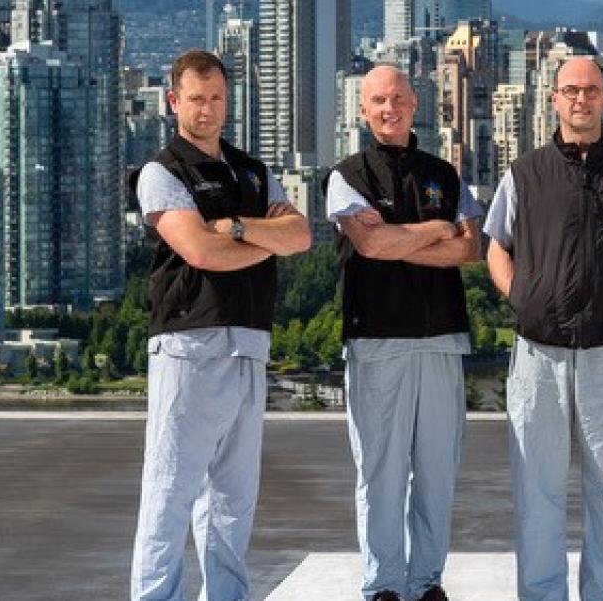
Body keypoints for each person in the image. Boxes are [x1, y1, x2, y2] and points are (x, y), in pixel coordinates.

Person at [129, 49, 312, 600]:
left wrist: (233, 227)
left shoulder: (254, 172)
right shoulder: (162, 172)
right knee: (170, 492)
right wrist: (264, 240)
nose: (206, 110)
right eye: (195, 99)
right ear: (173, 102)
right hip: (188, 345)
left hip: (250, 345)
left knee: (235, 500)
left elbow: (301, 237)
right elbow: (201, 253)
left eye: (216, 99)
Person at [484, 56, 603, 601]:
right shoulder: (525, 173)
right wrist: (521, 296)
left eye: (591, 90)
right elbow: (497, 247)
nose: (581, 100)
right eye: (570, 90)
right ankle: (541, 595)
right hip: (537, 354)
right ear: (554, 99)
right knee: (536, 486)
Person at [327, 65, 482, 601]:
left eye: (397, 98)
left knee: (437, 471)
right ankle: (384, 584)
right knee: (381, 472)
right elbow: (369, 247)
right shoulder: (347, 175)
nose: (388, 108)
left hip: (441, 337)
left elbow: (470, 249)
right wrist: (437, 229)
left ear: (416, 104)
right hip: (375, 340)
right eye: (377, 100)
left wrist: (402, 237)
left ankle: (427, 580)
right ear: (362, 110)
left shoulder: (446, 174)